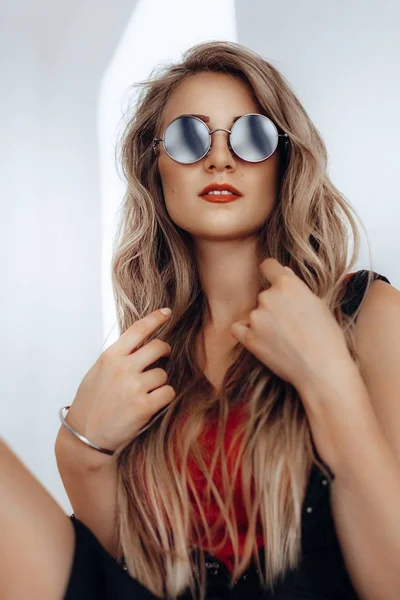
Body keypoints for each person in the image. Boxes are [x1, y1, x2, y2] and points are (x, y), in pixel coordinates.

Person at [1, 40, 398, 600]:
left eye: (252, 135)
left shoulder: (368, 314)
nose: (220, 159)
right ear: (155, 168)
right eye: (189, 138)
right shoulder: (143, 369)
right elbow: (125, 581)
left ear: (284, 161)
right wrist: (81, 455)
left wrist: (328, 378)